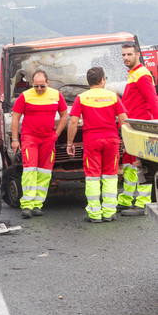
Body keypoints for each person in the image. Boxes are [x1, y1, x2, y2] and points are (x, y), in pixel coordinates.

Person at [66, 67, 129, 223]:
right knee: (110, 176)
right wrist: (127, 142)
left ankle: (95, 214)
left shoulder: (81, 98)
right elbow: (124, 120)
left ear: (88, 82)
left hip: (92, 141)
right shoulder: (113, 96)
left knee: (93, 177)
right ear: (103, 80)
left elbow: (73, 122)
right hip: (112, 140)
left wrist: (70, 143)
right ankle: (109, 212)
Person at [11, 70, 68, 218]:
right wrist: (15, 139)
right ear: (32, 84)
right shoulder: (25, 96)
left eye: (42, 86)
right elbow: (15, 118)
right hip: (30, 137)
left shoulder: (56, 95)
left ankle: (38, 205)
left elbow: (64, 116)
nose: (39, 89)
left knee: (44, 172)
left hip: (48, 138)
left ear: (47, 83)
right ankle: (27, 206)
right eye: (36, 86)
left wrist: (56, 134)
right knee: (30, 170)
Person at [117, 42, 158, 215]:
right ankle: (127, 200)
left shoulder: (141, 74)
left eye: (129, 54)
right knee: (130, 164)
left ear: (137, 55)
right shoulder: (134, 73)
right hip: (132, 128)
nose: (126, 57)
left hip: (140, 128)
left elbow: (153, 100)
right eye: (124, 55)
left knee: (139, 165)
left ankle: (142, 204)